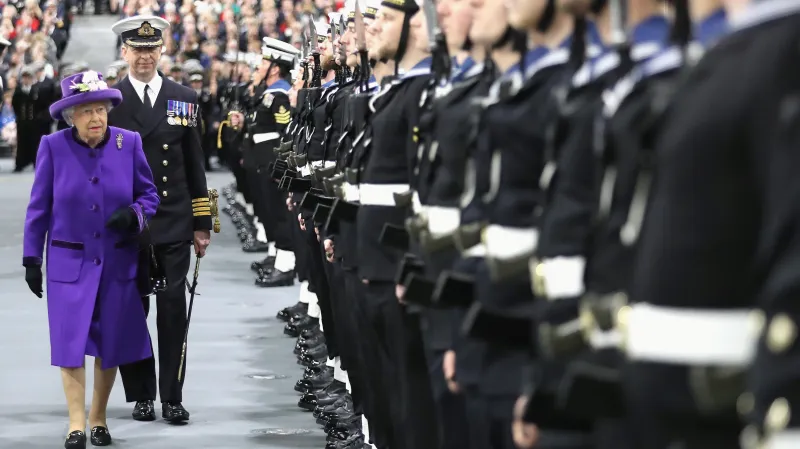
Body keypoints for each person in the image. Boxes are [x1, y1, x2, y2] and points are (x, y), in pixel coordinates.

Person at [22, 70, 159, 449]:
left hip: (117, 263)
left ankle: (98, 418)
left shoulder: (127, 143)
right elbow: (39, 207)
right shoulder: (53, 146)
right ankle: (76, 424)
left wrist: (134, 214)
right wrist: (32, 257)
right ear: (71, 117)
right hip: (69, 265)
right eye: (86, 111)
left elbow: (150, 196)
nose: (96, 118)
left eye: (101, 109)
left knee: (110, 342)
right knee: (70, 344)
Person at [107, 15, 212, 424]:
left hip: (172, 221)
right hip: (129, 224)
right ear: (124, 52)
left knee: (172, 309)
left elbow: (194, 163)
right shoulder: (111, 101)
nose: (145, 56)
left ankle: (171, 395)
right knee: (132, 311)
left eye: (151, 49)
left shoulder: (182, 97)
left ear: (161, 51)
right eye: (137, 49)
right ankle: (142, 395)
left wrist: (200, 222)